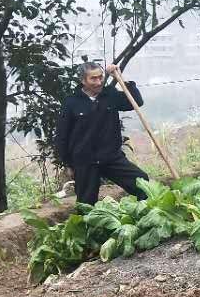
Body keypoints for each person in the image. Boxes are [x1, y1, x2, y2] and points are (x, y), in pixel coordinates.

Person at [53, 62, 150, 205]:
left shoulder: (110, 94)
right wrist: (68, 164)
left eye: (100, 77)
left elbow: (136, 101)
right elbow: (62, 136)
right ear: (83, 80)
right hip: (85, 162)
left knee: (143, 184)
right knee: (86, 203)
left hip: (111, 157)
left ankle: (146, 216)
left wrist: (122, 79)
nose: (98, 82)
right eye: (93, 79)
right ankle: (87, 226)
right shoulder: (71, 103)